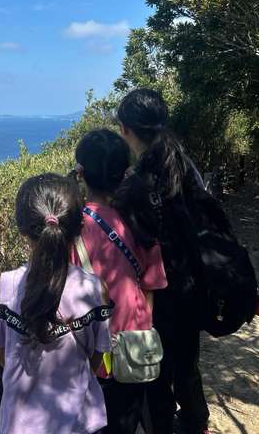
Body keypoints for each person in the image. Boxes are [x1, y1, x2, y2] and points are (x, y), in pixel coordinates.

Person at [112, 88, 210, 434]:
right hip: (192, 282)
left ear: (125, 129)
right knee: (187, 363)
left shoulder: (134, 185)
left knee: (157, 373)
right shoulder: (183, 164)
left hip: (156, 292)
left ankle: (165, 426)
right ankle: (196, 422)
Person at [0, 173, 112, 434]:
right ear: (79, 227)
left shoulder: (4, 285)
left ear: (22, 229)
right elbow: (97, 358)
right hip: (80, 423)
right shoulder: (95, 289)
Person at [70, 129, 168, 434]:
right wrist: (140, 327)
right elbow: (152, 283)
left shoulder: (71, 228)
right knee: (125, 422)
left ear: (80, 173)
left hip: (86, 354)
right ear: (125, 173)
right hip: (132, 348)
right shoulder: (139, 220)